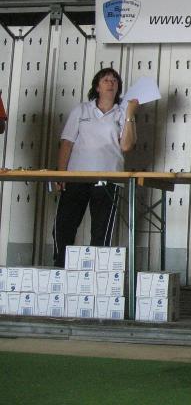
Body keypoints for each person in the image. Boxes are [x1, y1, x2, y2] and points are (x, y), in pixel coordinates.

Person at [53, 68, 138, 268]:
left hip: (108, 179)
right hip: (77, 177)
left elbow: (126, 146)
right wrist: (61, 173)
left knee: (101, 230)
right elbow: (67, 143)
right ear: (97, 87)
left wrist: (130, 114)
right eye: (106, 80)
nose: (111, 83)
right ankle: (60, 268)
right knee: (64, 226)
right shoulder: (81, 110)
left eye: (114, 81)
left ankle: (96, 273)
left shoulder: (122, 112)